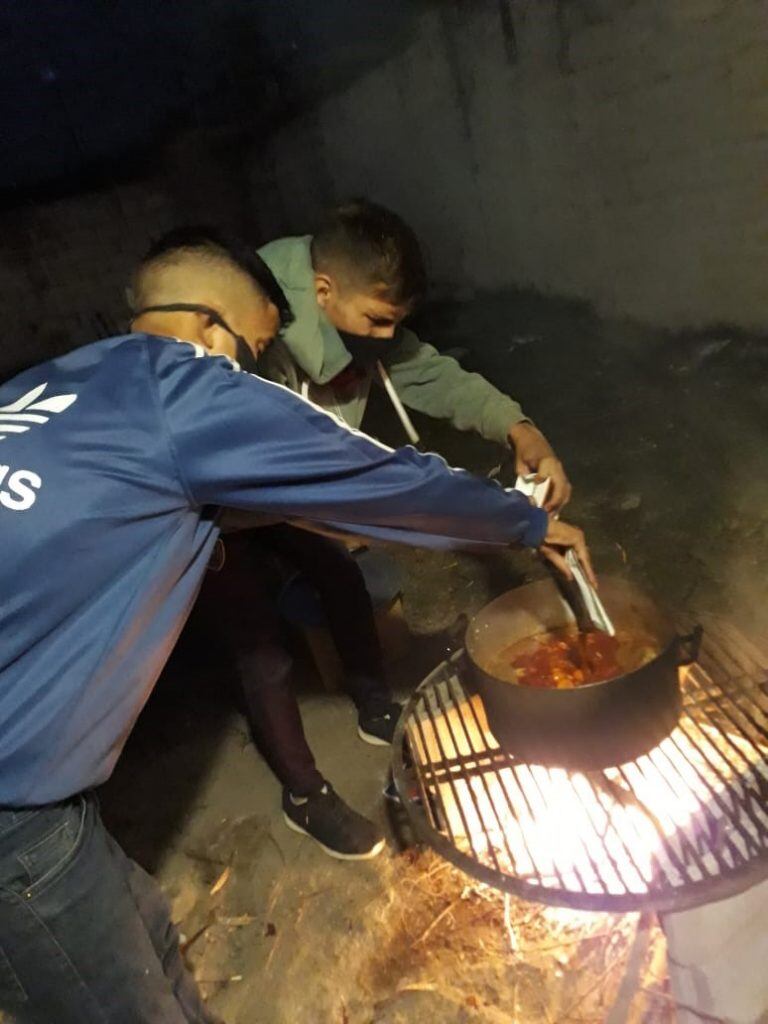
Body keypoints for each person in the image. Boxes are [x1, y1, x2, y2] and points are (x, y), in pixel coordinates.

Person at [0, 229, 590, 1024]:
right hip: (15, 813)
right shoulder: (183, 385)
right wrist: (521, 521)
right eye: (253, 346)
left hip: (43, 800)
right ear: (214, 328)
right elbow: (377, 476)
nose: (250, 366)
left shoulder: (46, 387)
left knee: (141, 930)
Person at [195, 199, 574, 861]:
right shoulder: (245, 328)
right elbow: (236, 461)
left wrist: (521, 428)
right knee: (259, 648)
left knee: (340, 576)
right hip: (214, 502)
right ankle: (304, 793)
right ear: (322, 290)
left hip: (309, 484)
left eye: (395, 323)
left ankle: (373, 705)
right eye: (378, 320)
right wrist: (345, 510)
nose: (385, 336)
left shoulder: (357, 328)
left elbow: (431, 374)